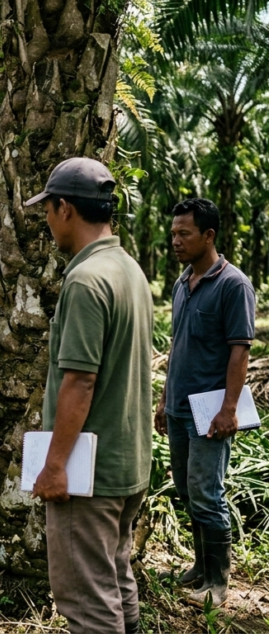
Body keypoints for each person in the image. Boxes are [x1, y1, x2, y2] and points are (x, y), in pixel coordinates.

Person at [28, 158, 152, 634]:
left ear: (65, 209)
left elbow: (80, 380)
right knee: (115, 577)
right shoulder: (128, 270)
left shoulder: (85, 280)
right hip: (127, 462)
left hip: (89, 474)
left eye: (47, 209)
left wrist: (56, 465)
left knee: (86, 600)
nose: (46, 220)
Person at [155, 198, 254, 608]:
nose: (175, 240)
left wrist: (229, 409)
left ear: (208, 235)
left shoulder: (233, 285)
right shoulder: (182, 282)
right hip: (179, 406)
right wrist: (163, 399)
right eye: (173, 233)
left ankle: (217, 581)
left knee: (206, 492)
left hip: (211, 411)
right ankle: (200, 566)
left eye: (184, 233)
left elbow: (240, 350)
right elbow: (177, 344)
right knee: (186, 487)